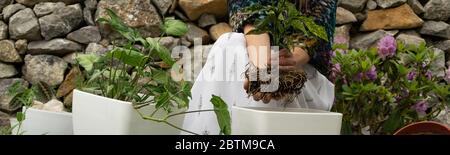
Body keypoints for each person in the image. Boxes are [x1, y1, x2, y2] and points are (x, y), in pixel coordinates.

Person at [181, 0, 337, 135]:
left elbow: (312, 37)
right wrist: (263, 73)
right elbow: (254, 22)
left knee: (238, 57)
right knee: (229, 43)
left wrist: (282, 65)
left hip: (301, 75)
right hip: (258, 58)